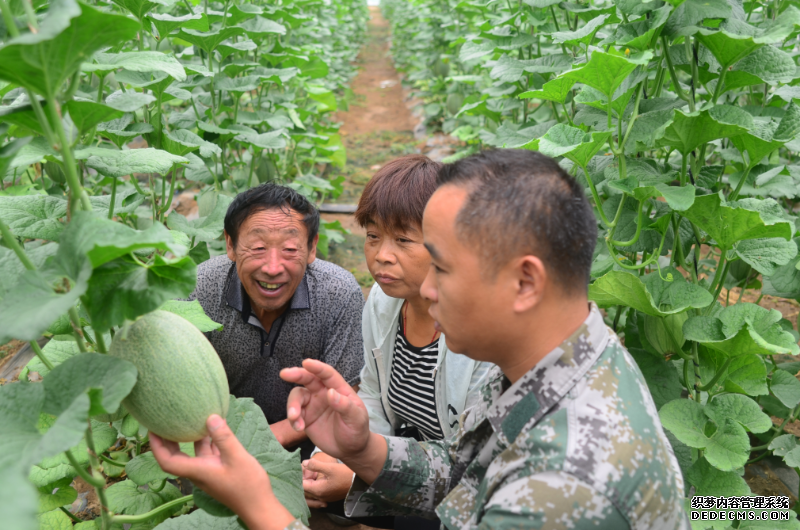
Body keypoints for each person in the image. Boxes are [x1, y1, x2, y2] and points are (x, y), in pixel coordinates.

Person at [152, 149, 690, 530]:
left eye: (442, 268)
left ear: (525, 282)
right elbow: (461, 482)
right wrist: (366, 450)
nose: (425, 289)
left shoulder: (559, 491)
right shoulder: (550, 365)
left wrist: (257, 503)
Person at [302, 155, 491, 526]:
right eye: (373, 236)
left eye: (403, 239)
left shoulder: (479, 331)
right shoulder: (384, 299)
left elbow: (468, 468)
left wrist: (360, 476)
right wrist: (339, 455)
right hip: (409, 456)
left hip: (464, 488)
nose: (381, 256)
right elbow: (371, 393)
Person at [186, 183, 364, 458]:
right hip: (218, 444)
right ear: (230, 245)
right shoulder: (203, 288)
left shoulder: (338, 293)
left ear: (312, 247)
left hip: (313, 446)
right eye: (257, 247)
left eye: (290, 250)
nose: (272, 268)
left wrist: (259, 444)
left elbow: (343, 396)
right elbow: (187, 390)